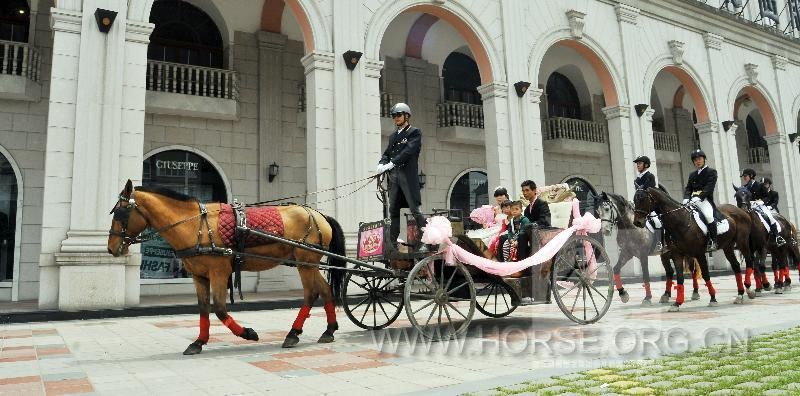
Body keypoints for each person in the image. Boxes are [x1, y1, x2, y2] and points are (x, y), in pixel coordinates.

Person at [376, 103, 426, 251]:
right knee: (393, 209)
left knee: (414, 209)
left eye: (399, 115)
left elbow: (409, 151)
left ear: (406, 116)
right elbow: (387, 153)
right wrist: (382, 163)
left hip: (407, 176)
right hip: (394, 177)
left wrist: (392, 163)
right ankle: (392, 243)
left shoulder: (414, 132)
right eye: (394, 116)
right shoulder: (393, 136)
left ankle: (426, 241)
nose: (396, 118)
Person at [683, 149, 718, 250]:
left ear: (704, 160)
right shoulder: (692, 175)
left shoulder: (711, 172)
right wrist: (686, 198)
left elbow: (709, 187)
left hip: (705, 200)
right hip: (692, 200)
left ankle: (713, 241)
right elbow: (688, 188)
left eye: (699, 159)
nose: (697, 161)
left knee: (708, 216)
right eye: (695, 160)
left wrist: (699, 197)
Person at [740, 169, 784, 246]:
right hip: (749, 207)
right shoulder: (744, 187)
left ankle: (777, 237)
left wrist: (760, 202)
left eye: (745, 176)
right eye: (743, 176)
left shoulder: (760, 185)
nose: (744, 178)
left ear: (751, 176)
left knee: (770, 217)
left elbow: (767, 197)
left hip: (760, 206)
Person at [633, 156, 664, 251]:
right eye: (637, 163)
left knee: (657, 222)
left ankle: (660, 242)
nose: (638, 165)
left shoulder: (650, 176)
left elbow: (650, 190)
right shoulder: (637, 180)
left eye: (640, 163)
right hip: (640, 207)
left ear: (646, 165)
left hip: (650, 206)